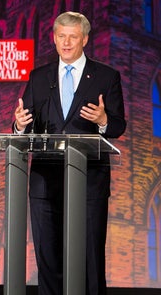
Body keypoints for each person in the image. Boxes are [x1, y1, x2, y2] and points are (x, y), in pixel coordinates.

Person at [13, 11, 126, 295]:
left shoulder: (106, 77)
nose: (66, 43)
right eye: (61, 36)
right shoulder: (39, 77)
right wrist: (18, 125)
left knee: (88, 259)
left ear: (85, 39)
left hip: (88, 181)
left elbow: (118, 125)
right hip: (44, 181)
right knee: (48, 259)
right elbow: (23, 121)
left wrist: (102, 120)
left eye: (72, 37)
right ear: (53, 38)